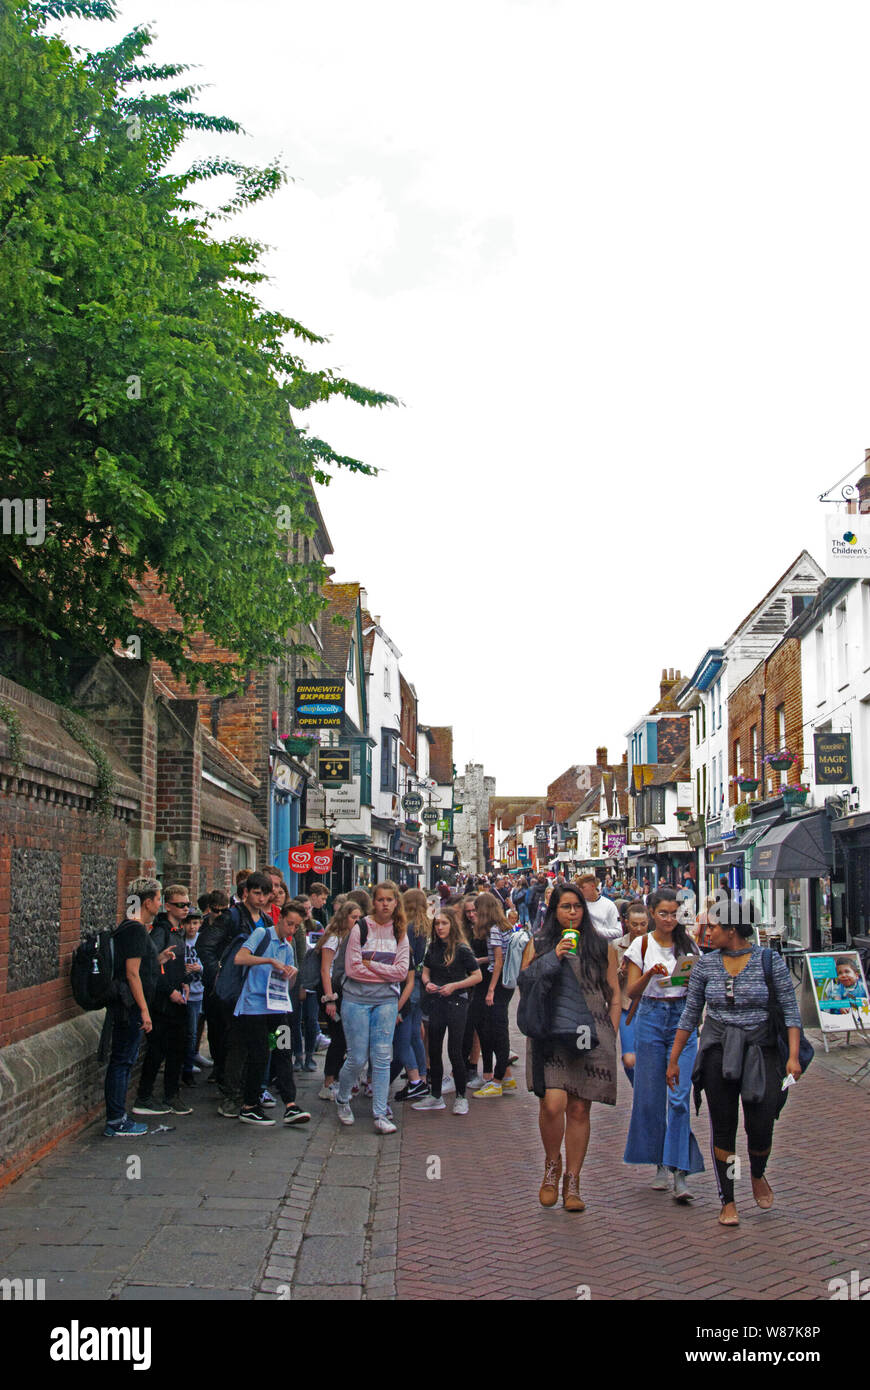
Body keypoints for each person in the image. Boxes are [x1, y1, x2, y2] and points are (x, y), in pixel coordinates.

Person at [666, 901, 802, 1227]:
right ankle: (728, 1198)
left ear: (732, 930)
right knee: (723, 1126)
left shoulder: (770, 962)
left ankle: (756, 1172)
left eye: (712, 927)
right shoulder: (705, 966)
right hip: (718, 1051)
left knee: (760, 1121)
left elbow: (790, 1010)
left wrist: (793, 1057)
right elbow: (690, 1014)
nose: (706, 933)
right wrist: (674, 1060)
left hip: (761, 1050)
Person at [520, 882, 621, 1211]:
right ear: (554, 911)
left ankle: (572, 1181)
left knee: (579, 1108)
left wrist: (611, 1031)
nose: (573, 913)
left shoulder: (602, 946)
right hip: (552, 1029)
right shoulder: (539, 942)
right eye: (565, 907)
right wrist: (553, 957)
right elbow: (525, 982)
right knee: (552, 1104)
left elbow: (614, 993)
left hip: (588, 1032)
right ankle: (552, 1165)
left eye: (577, 907)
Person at [622, 887, 703, 1202]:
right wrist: (651, 975)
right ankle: (658, 1162)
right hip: (652, 1016)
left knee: (680, 1098)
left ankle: (680, 1171)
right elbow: (631, 991)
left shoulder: (689, 944)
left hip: (682, 1018)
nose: (669, 919)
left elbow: (699, 983)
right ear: (652, 913)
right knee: (651, 1095)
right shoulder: (641, 945)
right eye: (663, 913)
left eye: (674, 913)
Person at [335, 881, 410, 1133]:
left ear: (396, 902)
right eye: (380, 899)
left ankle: (380, 1113)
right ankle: (342, 1097)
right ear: (373, 901)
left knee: (381, 1057)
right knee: (356, 1058)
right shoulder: (361, 928)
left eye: (390, 899)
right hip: (356, 999)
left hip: (386, 1001)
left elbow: (401, 972)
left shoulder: (400, 931)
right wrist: (384, 972)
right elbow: (352, 968)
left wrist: (372, 966)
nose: (385, 904)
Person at [232, 898, 311, 1127]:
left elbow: (287, 983)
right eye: (289, 924)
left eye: (296, 927)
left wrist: (291, 973)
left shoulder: (287, 946)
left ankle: (290, 1104)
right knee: (259, 1054)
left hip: (277, 1007)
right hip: (254, 1006)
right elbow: (240, 958)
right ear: (280, 918)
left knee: (283, 1050)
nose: (292, 930)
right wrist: (269, 960)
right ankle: (249, 1106)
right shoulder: (261, 935)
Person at [103, 878, 165, 1137]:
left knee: (123, 1060)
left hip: (128, 1005)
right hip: (129, 1007)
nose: (160, 904)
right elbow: (132, 973)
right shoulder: (136, 929)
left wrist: (159, 959)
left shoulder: (130, 928)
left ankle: (117, 1118)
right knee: (122, 1061)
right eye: (159, 898)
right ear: (148, 901)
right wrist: (144, 1010)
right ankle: (116, 1120)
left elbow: (139, 966)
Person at [132, 884, 194, 1118]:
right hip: (163, 1002)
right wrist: (169, 991)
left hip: (178, 997)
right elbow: (152, 966)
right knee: (158, 1050)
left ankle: (171, 1094)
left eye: (187, 904)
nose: (186, 908)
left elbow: (173, 964)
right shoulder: (161, 931)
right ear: (167, 906)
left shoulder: (178, 931)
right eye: (180, 905)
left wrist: (185, 980)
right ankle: (145, 1096)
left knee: (178, 1048)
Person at [413, 909, 482, 1114]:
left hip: (457, 1003)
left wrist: (455, 985)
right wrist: (427, 983)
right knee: (434, 1049)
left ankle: (461, 1096)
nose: (440, 927)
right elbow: (425, 972)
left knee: (455, 1050)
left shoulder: (461, 949)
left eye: (444, 923)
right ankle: (435, 1095)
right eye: (437, 924)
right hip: (437, 1001)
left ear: (452, 925)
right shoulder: (433, 947)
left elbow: (476, 975)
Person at [471, 892, 516, 1099]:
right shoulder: (504, 926)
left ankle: (498, 1079)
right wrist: (479, 961)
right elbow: (496, 956)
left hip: (496, 983)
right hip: (504, 982)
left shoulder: (494, 930)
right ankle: (503, 1077)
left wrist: (490, 989)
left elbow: (498, 960)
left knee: (497, 1028)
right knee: (496, 1026)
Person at [317, 898, 361, 1099]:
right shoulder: (334, 938)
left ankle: (338, 1079)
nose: (357, 921)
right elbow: (326, 969)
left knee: (346, 1039)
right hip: (333, 992)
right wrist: (329, 999)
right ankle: (328, 1083)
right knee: (338, 1039)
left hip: (346, 992)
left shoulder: (351, 937)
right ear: (345, 917)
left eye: (359, 917)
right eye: (354, 917)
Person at [392, 889, 430, 1103]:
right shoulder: (426, 926)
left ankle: (415, 1080)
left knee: (402, 1039)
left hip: (408, 984)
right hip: (421, 986)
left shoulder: (407, 928)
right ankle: (422, 1079)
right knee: (415, 1034)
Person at [615, 900, 650, 1086]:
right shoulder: (616, 945)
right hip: (627, 1007)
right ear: (626, 922)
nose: (638, 928)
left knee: (649, 1058)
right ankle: (641, 1092)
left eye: (643, 924)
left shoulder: (654, 943)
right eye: (634, 924)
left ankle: (646, 1096)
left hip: (650, 1006)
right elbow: (609, 980)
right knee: (629, 1060)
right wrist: (622, 971)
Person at [180, 907, 207, 1086]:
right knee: (184, 1031)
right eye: (189, 923)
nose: (192, 927)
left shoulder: (202, 941)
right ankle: (184, 1066)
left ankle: (188, 1065)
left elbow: (211, 962)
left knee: (193, 1031)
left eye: (195, 923)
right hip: (182, 992)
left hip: (198, 992)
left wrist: (201, 968)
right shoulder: (180, 941)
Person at [576, 873, 623, 941]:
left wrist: (595, 931)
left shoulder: (609, 905)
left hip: (605, 947)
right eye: (579, 888)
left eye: (583, 887)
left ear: (593, 886)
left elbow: (619, 932)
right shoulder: (579, 905)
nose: (580, 890)